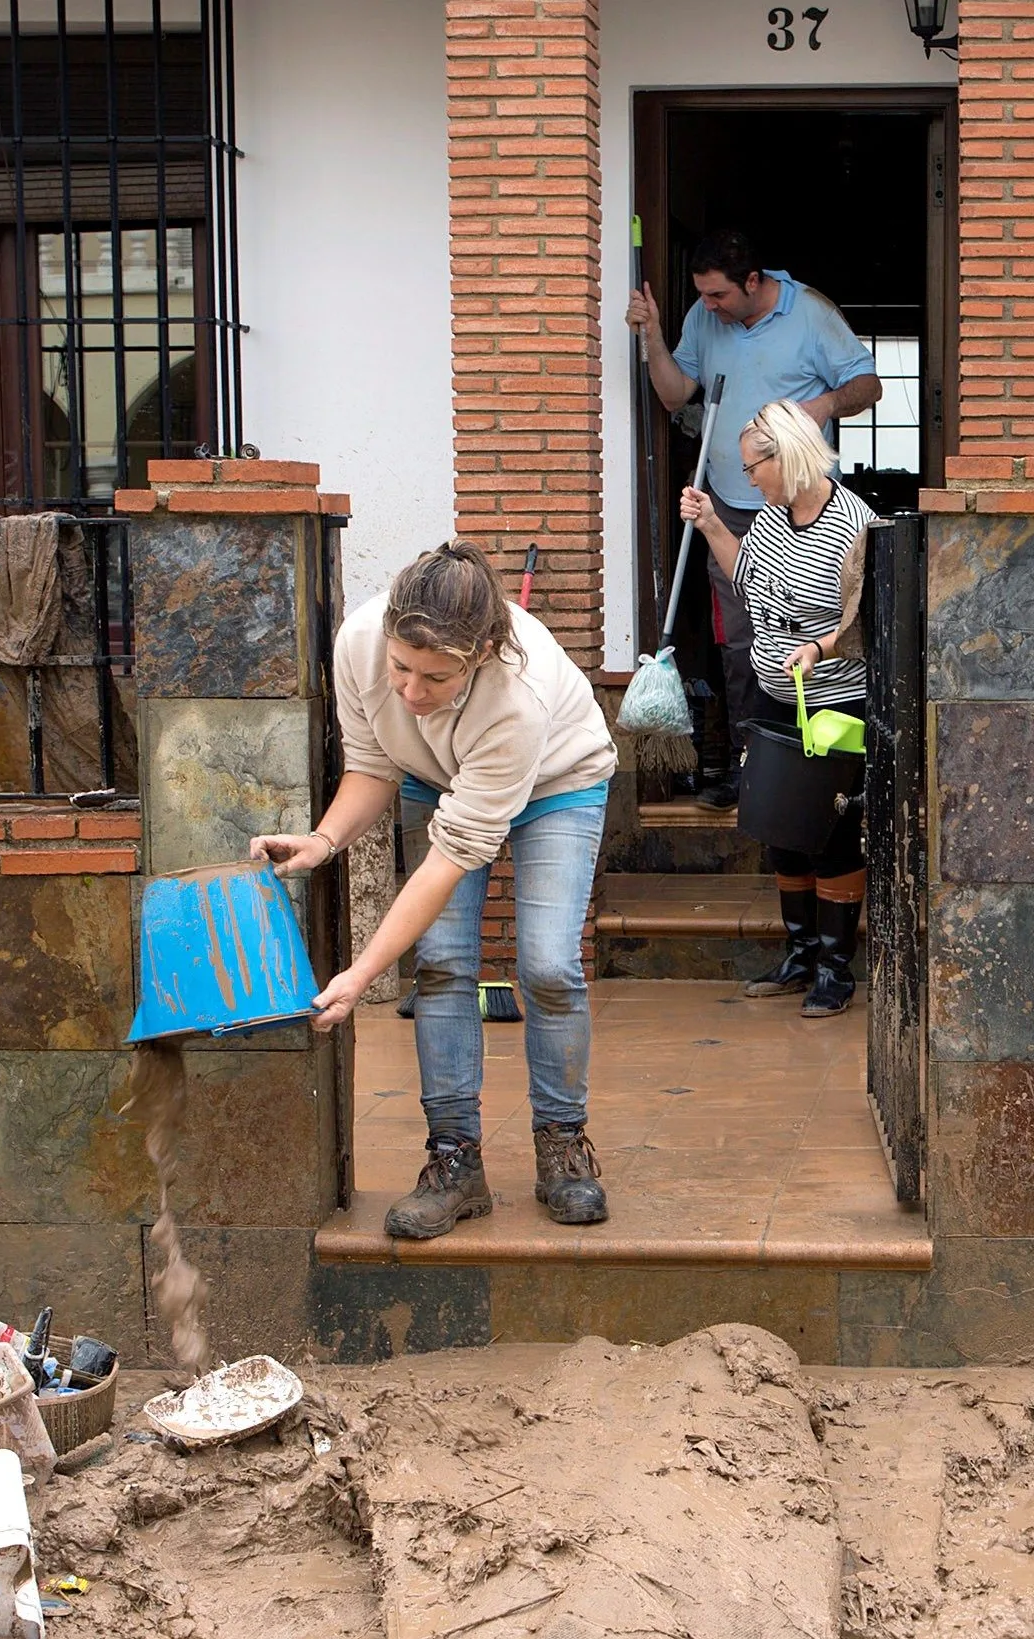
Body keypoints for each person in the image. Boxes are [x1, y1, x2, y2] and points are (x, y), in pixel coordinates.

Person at [252, 543, 619, 1238]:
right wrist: (323, 841)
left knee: (546, 963)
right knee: (444, 963)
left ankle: (562, 1144)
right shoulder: (360, 641)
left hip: (559, 782)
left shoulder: (518, 697)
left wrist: (360, 974)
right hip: (434, 778)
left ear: (480, 653)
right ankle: (454, 1162)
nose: (411, 693)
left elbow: (448, 860)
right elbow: (370, 765)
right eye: (401, 668)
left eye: (435, 677)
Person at [625, 230, 880, 801]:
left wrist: (824, 404)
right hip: (737, 508)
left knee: (815, 631)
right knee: (743, 644)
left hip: (804, 508)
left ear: (753, 281)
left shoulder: (811, 314)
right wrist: (654, 336)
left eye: (717, 296)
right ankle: (751, 765)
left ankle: (823, 764)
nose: (708, 307)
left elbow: (869, 383)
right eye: (702, 297)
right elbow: (673, 395)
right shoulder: (703, 316)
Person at [680, 401, 877, 1015]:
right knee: (781, 829)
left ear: (783, 456)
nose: (748, 479)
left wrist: (818, 646)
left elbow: (867, 616)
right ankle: (800, 956)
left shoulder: (853, 522)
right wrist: (713, 523)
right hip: (774, 696)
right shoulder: (770, 517)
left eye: (751, 467)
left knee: (832, 831)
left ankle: (836, 970)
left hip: (833, 701)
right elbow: (747, 576)